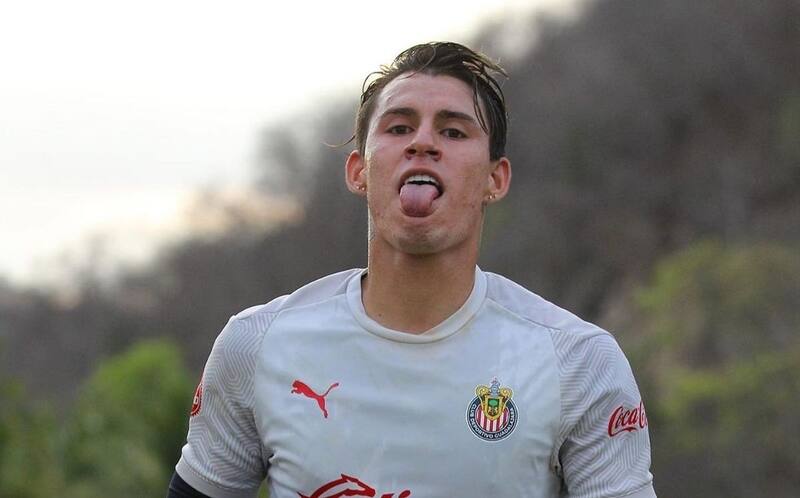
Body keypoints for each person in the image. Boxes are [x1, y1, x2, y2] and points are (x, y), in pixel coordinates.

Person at [167, 41, 656, 498]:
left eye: (453, 131)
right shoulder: (256, 345)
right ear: (359, 170)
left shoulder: (579, 361)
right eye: (399, 128)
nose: (423, 142)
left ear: (495, 178)